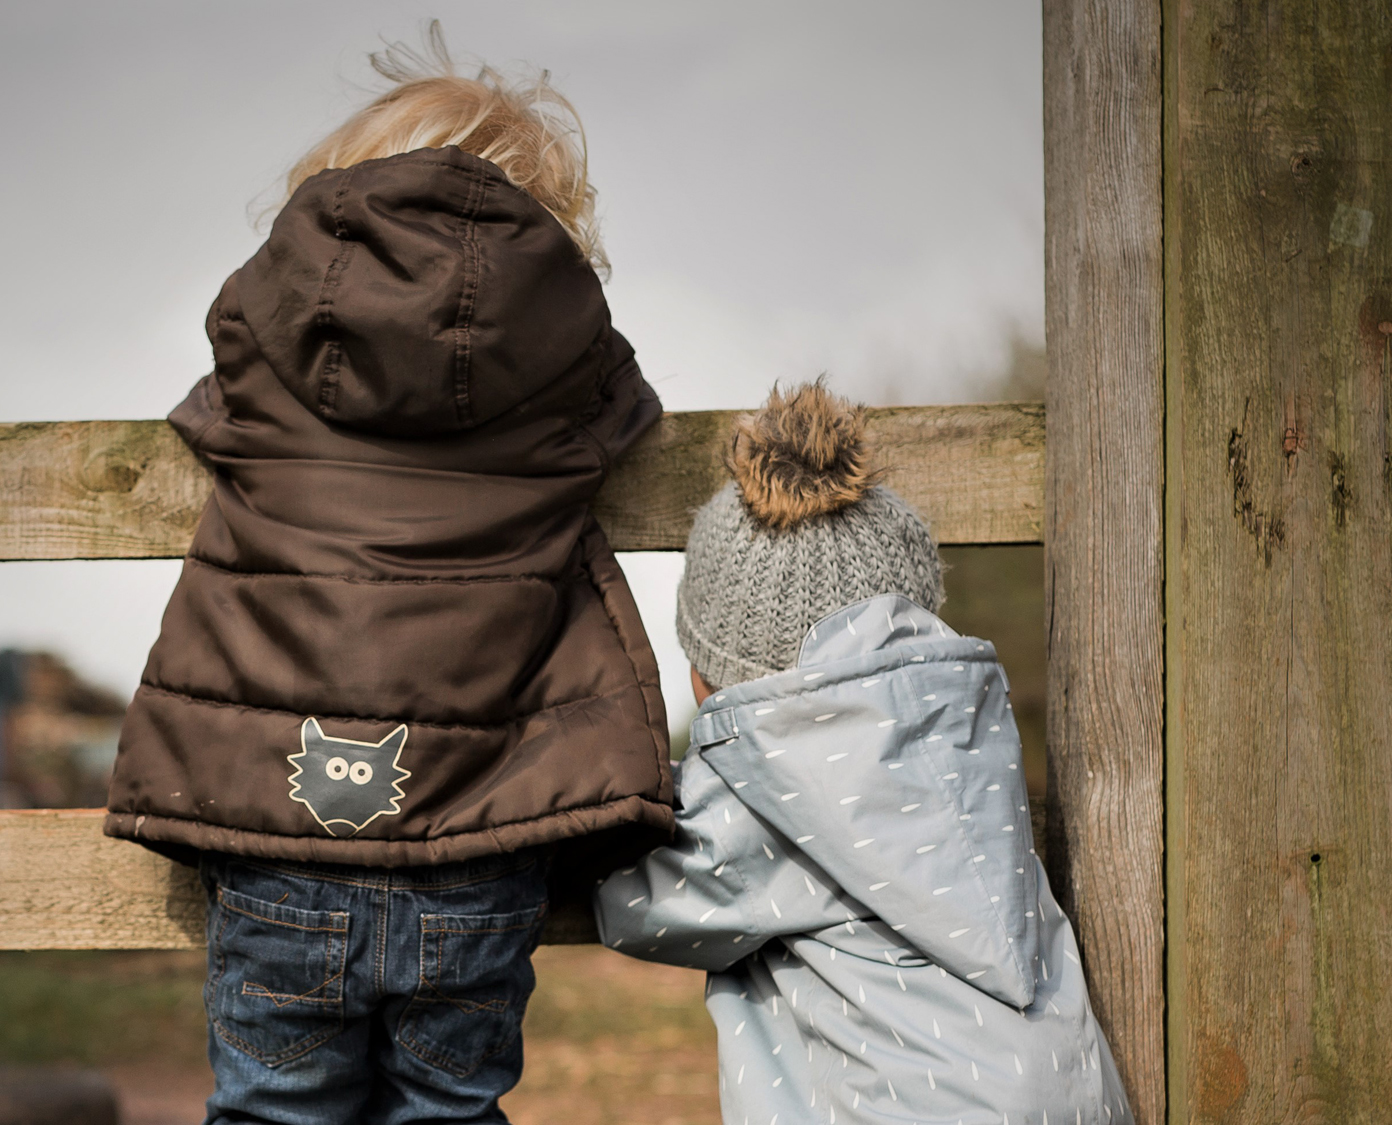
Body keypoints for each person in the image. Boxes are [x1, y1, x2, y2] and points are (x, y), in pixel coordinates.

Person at [104, 25, 672, 1125]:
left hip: (278, 834)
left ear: (336, 198)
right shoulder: (561, 371)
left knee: (273, 1112)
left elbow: (205, 410)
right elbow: (628, 415)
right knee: (448, 1113)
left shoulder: (268, 346)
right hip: (474, 841)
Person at [595, 381, 1133, 1124]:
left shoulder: (774, 797)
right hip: (1067, 1095)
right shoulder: (971, 742)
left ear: (711, 676)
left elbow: (631, 896)